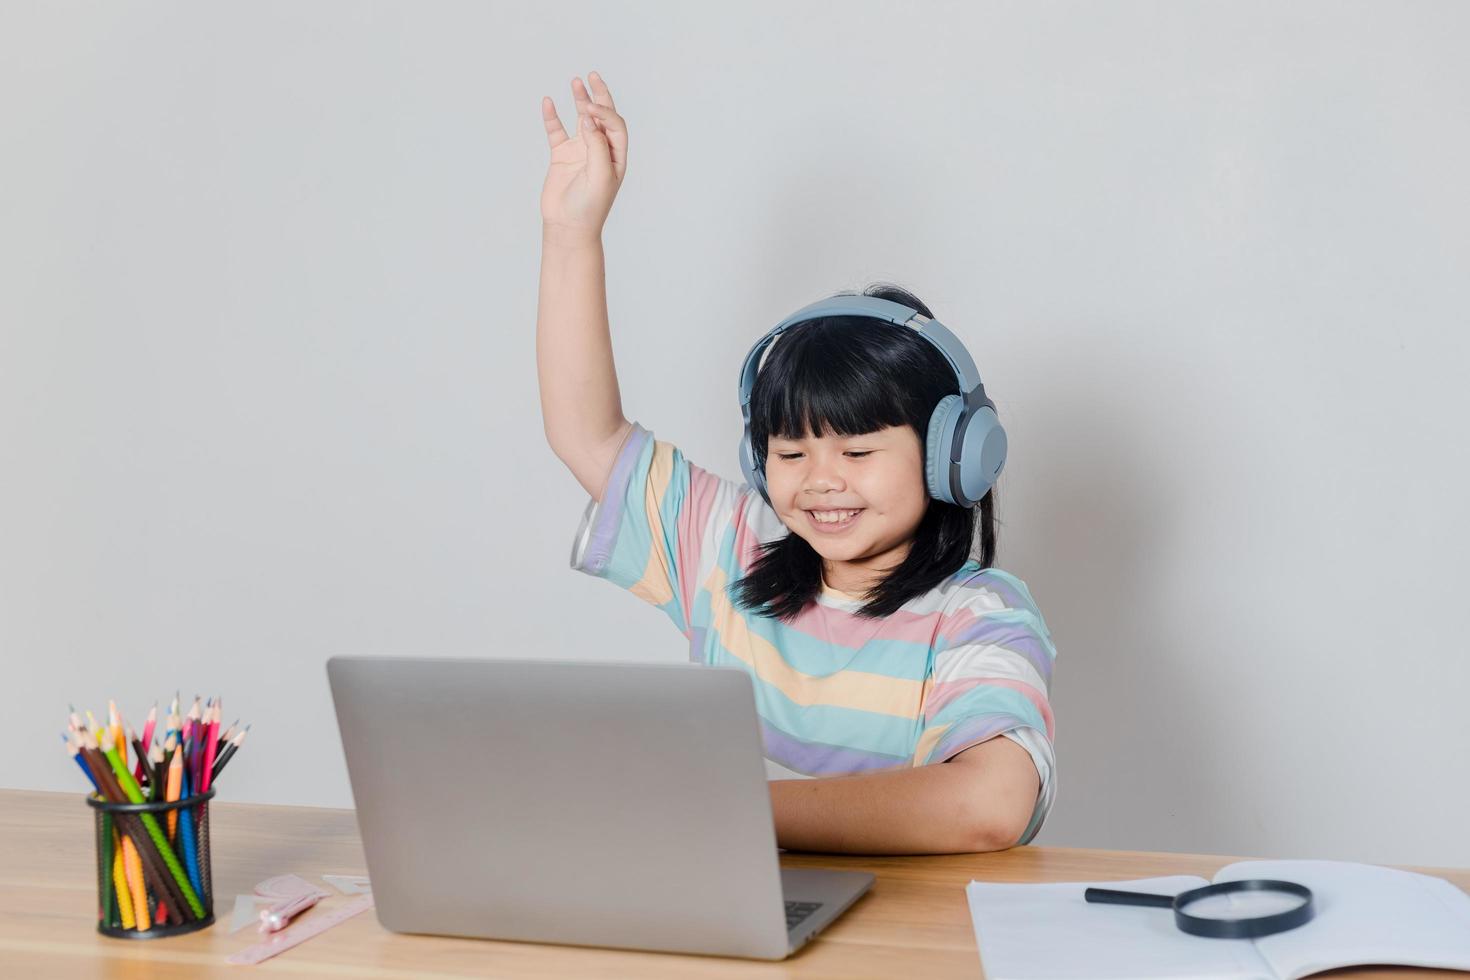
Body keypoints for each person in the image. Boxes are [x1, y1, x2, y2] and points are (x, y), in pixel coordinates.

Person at [537, 71, 1056, 855]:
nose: (819, 478)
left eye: (857, 449)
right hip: (732, 903)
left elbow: (993, 802)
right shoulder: (725, 550)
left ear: (955, 455)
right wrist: (571, 235)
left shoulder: (977, 617)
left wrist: (733, 814)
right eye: (790, 450)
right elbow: (588, 434)